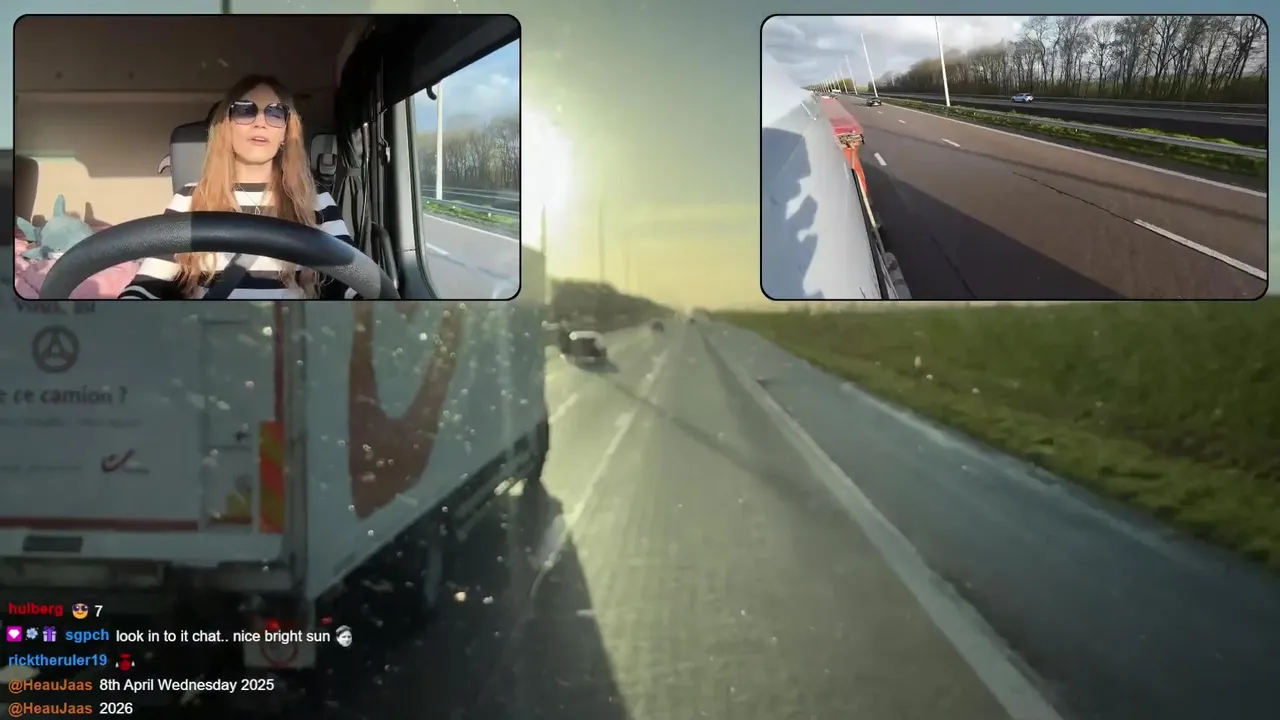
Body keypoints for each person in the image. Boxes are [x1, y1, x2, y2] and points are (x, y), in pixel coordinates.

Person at [118, 75, 358, 300]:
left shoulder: (315, 200)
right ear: (227, 126)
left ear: (286, 132)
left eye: (275, 113)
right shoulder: (190, 199)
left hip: (292, 330)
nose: (260, 123)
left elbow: (353, 280)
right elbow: (148, 284)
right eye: (245, 110)